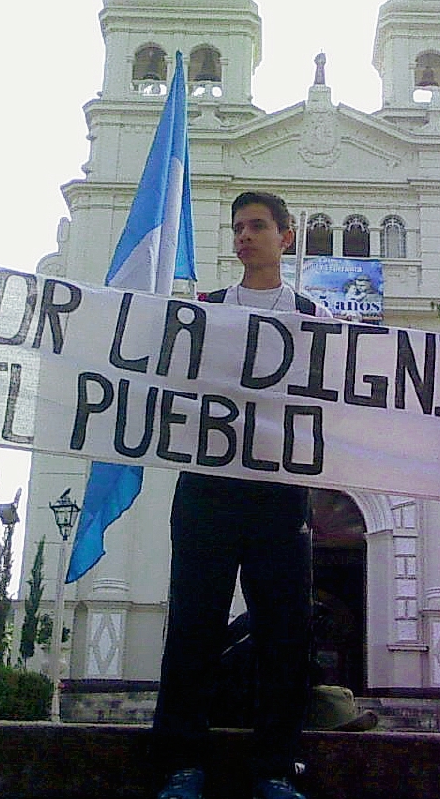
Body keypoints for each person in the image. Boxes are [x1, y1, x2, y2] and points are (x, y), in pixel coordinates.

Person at [152, 191, 331, 799]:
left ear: (286, 236)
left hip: (280, 494)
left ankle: (276, 768)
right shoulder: (205, 311)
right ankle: (182, 763)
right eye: (238, 228)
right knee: (194, 623)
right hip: (207, 490)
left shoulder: (312, 318)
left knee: (285, 630)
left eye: (257, 226)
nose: (244, 237)